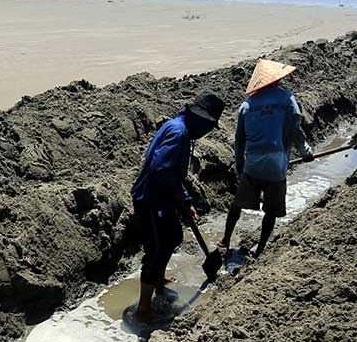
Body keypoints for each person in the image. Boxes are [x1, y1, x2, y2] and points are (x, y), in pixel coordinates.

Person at [130, 90, 225, 317]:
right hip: (151, 199)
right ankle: (143, 308)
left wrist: (185, 198)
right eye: (210, 127)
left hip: (162, 196)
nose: (208, 132)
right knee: (155, 250)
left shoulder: (178, 127)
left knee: (173, 236)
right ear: (201, 119)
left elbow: (170, 172)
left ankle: (159, 278)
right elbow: (160, 170)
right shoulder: (179, 133)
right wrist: (178, 197)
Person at [216, 59, 313, 257]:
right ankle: (260, 249)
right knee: (271, 210)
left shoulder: (247, 105)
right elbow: (296, 127)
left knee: (238, 203)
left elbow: (239, 139)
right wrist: (305, 151)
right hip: (276, 164)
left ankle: (225, 239)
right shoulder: (286, 98)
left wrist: (240, 164)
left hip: (252, 163)